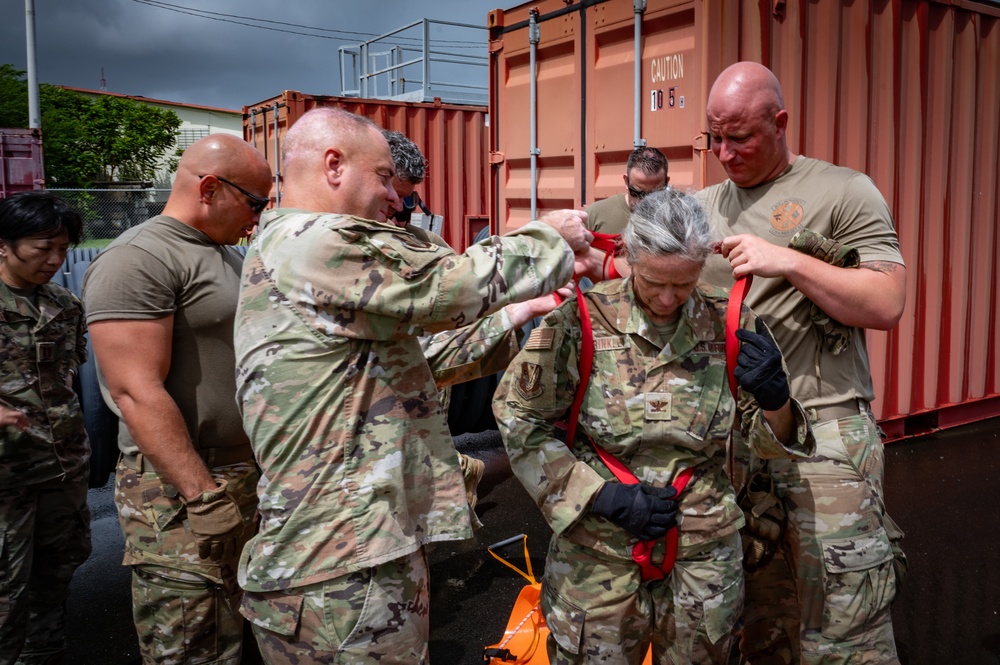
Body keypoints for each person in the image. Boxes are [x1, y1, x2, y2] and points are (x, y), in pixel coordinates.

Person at [233, 107, 590, 663]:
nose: (397, 199)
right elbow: (446, 286)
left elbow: (419, 363)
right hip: (341, 565)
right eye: (383, 177)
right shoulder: (314, 242)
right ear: (334, 165)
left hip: (356, 552)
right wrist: (551, 239)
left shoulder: (303, 256)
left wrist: (522, 311)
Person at [494, 187, 815, 664]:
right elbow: (519, 416)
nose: (667, 299)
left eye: (683, 284)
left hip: (703, 557)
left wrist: (775, 401)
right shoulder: (581, 320)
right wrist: (597, 495)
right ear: (630, 256)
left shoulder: (729, 320)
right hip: (598, 554)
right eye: (652, 282)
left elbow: (768, 443)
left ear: (702, 264)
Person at [699, 61, 907, 664]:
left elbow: (888, 302)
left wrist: (788, 261)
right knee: (760, 621)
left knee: (844, 628)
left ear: (780, 122)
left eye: (740, 136)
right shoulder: (705, 204)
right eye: (714, 137)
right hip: (739, 446)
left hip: (825, 439)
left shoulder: (842, 191)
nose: (725, 152)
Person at [81, 134, 272, 665]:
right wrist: (202, 495)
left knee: (246, 633)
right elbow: (135, 390)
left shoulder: (224, 254)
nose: (257, 218)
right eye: (255, 202)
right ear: (210, 187)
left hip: (242, 476)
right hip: (181, 491)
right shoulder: (139, 259)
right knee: (195, 644)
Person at [382, 128, 569, 519]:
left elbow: (466, 320)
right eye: (395, 200)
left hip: (439, 411)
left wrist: (523, 307)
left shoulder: (427, 247)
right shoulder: (347, 261)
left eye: (410, 202)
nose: (401, 212)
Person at [0, 192, 91, 665]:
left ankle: (44, 653)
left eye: (63, 249)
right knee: (5, 589)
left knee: (56, 572)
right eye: (42, 248)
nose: (55, 260)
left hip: (60, 468)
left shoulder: (65, 305)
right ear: (4, 244)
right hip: (6, 478)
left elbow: (69, 375)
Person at [585, 146, 669, 235]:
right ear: (626, 181)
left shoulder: (678, 219)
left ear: (666, 182)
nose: (645, 201)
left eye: (654, 195)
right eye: (637, 193)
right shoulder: (595, 215)